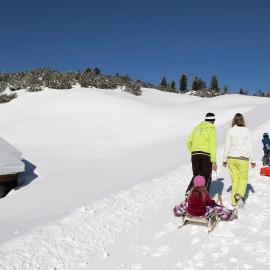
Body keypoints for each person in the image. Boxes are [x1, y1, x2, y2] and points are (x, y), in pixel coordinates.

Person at [223, 113, 256, 208]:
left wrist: (224, 159)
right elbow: (250, 146)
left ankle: (234, 202)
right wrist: (253, 160)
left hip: (231, 158)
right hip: (243, 158)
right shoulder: (246, 130)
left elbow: (227, 145)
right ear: (242, 120)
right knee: (243, 179)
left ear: (234, 120)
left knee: (235, 180)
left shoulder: (230, 130)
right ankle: (239, 194)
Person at [186, 112, 217, 195]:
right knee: (207, 176)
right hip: (206, 155)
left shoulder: (196, 128)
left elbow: (188, 142)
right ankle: (203, 197)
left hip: (195, 155)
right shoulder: (212, 129)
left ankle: (189, 192)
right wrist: (213, 162)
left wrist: (194, 151)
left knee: (197, 176)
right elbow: (212, 146)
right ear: (213, 120)